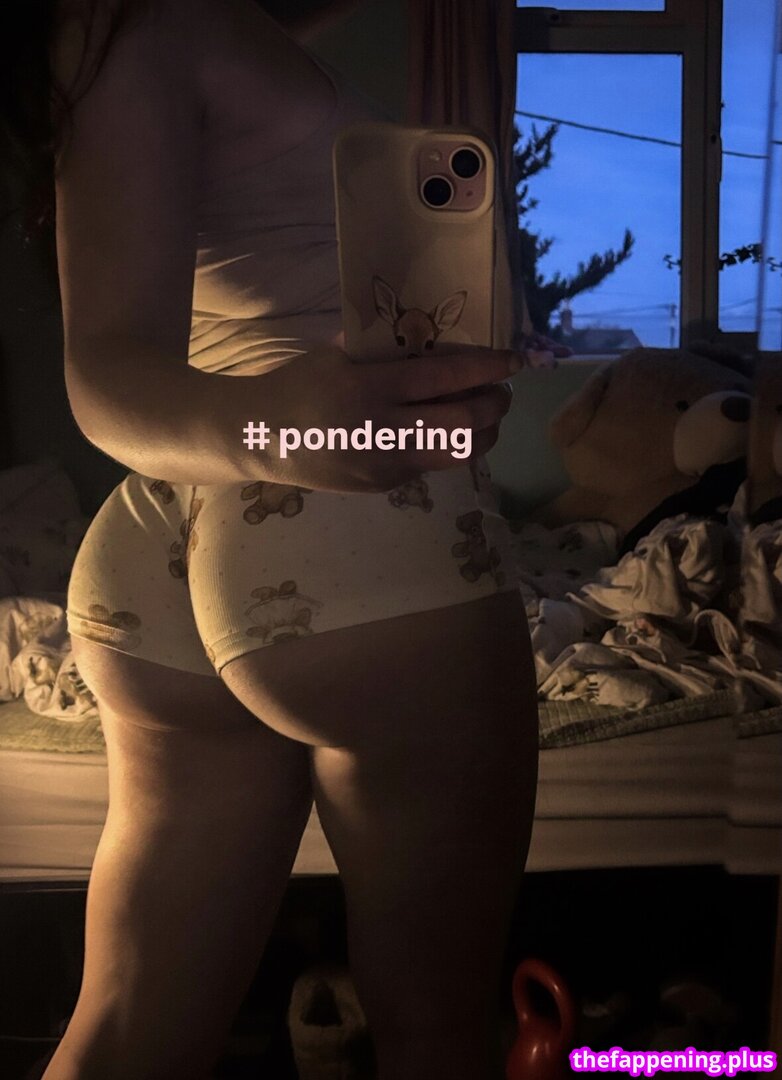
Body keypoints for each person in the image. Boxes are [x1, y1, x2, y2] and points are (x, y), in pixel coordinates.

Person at [5, 1, 539, 1076]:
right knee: (437, 1038)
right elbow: (103, 376)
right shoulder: (146, 28)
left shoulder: (175, 37)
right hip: (349, 531)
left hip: (173, 542)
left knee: (126, 1030)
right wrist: (292, 428)